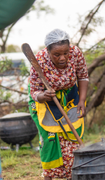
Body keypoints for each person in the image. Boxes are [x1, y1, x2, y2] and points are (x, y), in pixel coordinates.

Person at [28, 29, 89, 180]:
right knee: (51, 138)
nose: (63, 58)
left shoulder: (76, 53)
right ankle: (49, 176)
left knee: (71, 135)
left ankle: (73, 174)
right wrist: (43, 96)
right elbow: (34, 91)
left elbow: (82, 76)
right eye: (57, 55)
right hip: (45, 99)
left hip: (69, 96)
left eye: (65, 53)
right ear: (48, 52)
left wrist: (81, 100)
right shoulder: (39, 61)